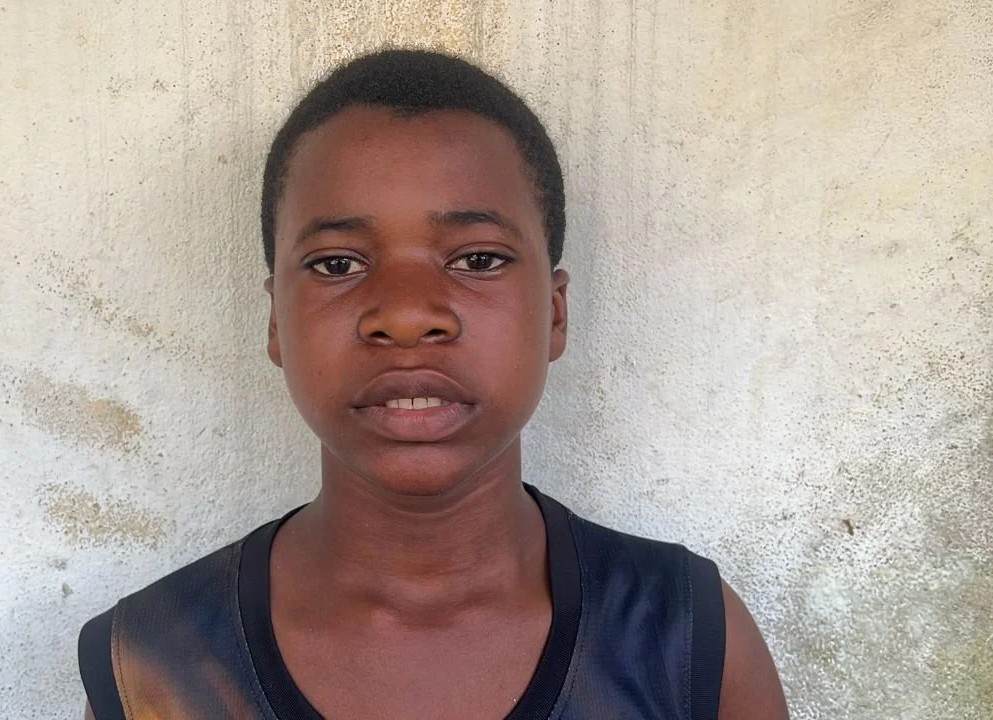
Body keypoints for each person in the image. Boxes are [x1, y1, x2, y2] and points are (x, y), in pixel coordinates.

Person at [78, 48, 788, 720]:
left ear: (554, 313)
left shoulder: (688, 639)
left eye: (478, 258)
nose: (408, 315)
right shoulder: (152, 669)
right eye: (336, 265)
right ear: (274, 322)